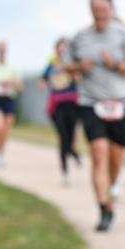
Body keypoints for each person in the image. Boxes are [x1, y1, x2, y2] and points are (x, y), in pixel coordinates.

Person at [62, 0, 125, 232]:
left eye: (104, 8)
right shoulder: (80, 37)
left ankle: (110, 188)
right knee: (99, 153)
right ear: (91, 10)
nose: (100, 12)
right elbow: (65, 65)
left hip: (119, 102)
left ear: (111, 9)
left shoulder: (124, 35)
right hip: (91, 102)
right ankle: (104, 207)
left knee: (116, 158)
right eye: (95, 8)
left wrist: (116, 65)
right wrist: (79, 66)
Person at [40, 38, 81, 185]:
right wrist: (43, 84)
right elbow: (43, 80)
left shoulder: (72, 65)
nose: (62, 50)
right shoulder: (50, 66)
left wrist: (72, 71)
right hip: (56, 105)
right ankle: (65, 171)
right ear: (56, 49)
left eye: (65, 48)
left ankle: (74, 153)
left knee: (70, 136)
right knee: (63, 137)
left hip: (72, 103)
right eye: (60, 48)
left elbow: (79, 78)